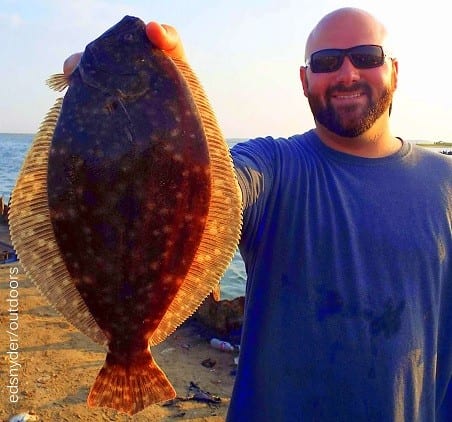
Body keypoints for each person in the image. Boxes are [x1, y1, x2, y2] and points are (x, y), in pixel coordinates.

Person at [64, 7, 451, 421]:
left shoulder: (446, 182)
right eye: (326, 62)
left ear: (393, 70)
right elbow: (210, 192)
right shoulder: (273, 165)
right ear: (305, 80)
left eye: (366, 56)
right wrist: (174, 93)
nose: (347, 73)